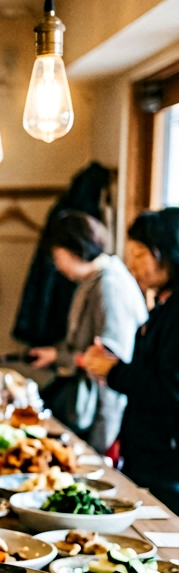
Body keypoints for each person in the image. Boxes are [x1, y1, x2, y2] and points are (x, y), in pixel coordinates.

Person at [81, 208, 179, 513]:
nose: (132, 265)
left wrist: (115, 372)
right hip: (146, 454)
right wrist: (112, 367)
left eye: (139, 254)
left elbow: (170, 391)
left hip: (166, 463)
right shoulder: (163, 304)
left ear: (166, 253)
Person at [28, 211, 146, 454]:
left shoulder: (110, 285)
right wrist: (55, 354)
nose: (57, 265)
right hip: (90, 405)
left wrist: (98, 448)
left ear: (75, 250)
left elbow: (111, 363)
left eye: (57, 256)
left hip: (104, 411)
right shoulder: (92, 280)